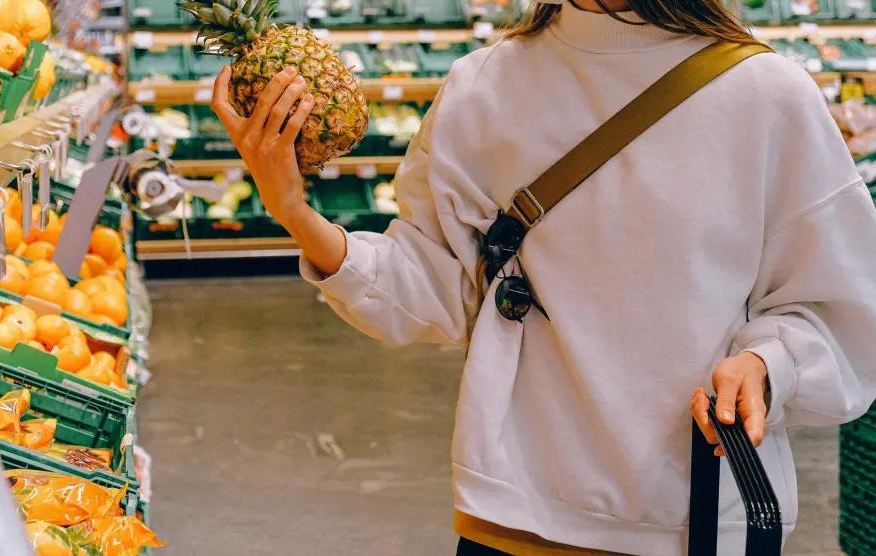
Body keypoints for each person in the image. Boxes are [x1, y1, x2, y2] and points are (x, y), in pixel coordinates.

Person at [209, 0, 876, 553]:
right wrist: (293, 212)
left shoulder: (765, 96)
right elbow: (432, 289)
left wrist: (769, 364)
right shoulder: (485, 87)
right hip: (519, 512)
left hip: (701, 516)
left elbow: (841, 307)